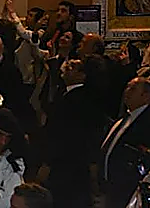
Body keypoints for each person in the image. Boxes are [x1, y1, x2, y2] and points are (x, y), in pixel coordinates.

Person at [45, 59, 107, 207]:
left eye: (73, 67)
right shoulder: (66, 94)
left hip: (69, 163)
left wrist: (48, 161)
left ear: (82, 75)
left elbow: (69, 134)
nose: (66, 68)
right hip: (65, 162)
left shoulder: (81, 99)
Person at [101, 77, 150, 208]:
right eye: (127, 87)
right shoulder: (125, 117)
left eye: (132, 89)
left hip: (128, 189)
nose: (126, 92)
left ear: (147, 96)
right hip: (111, 186)